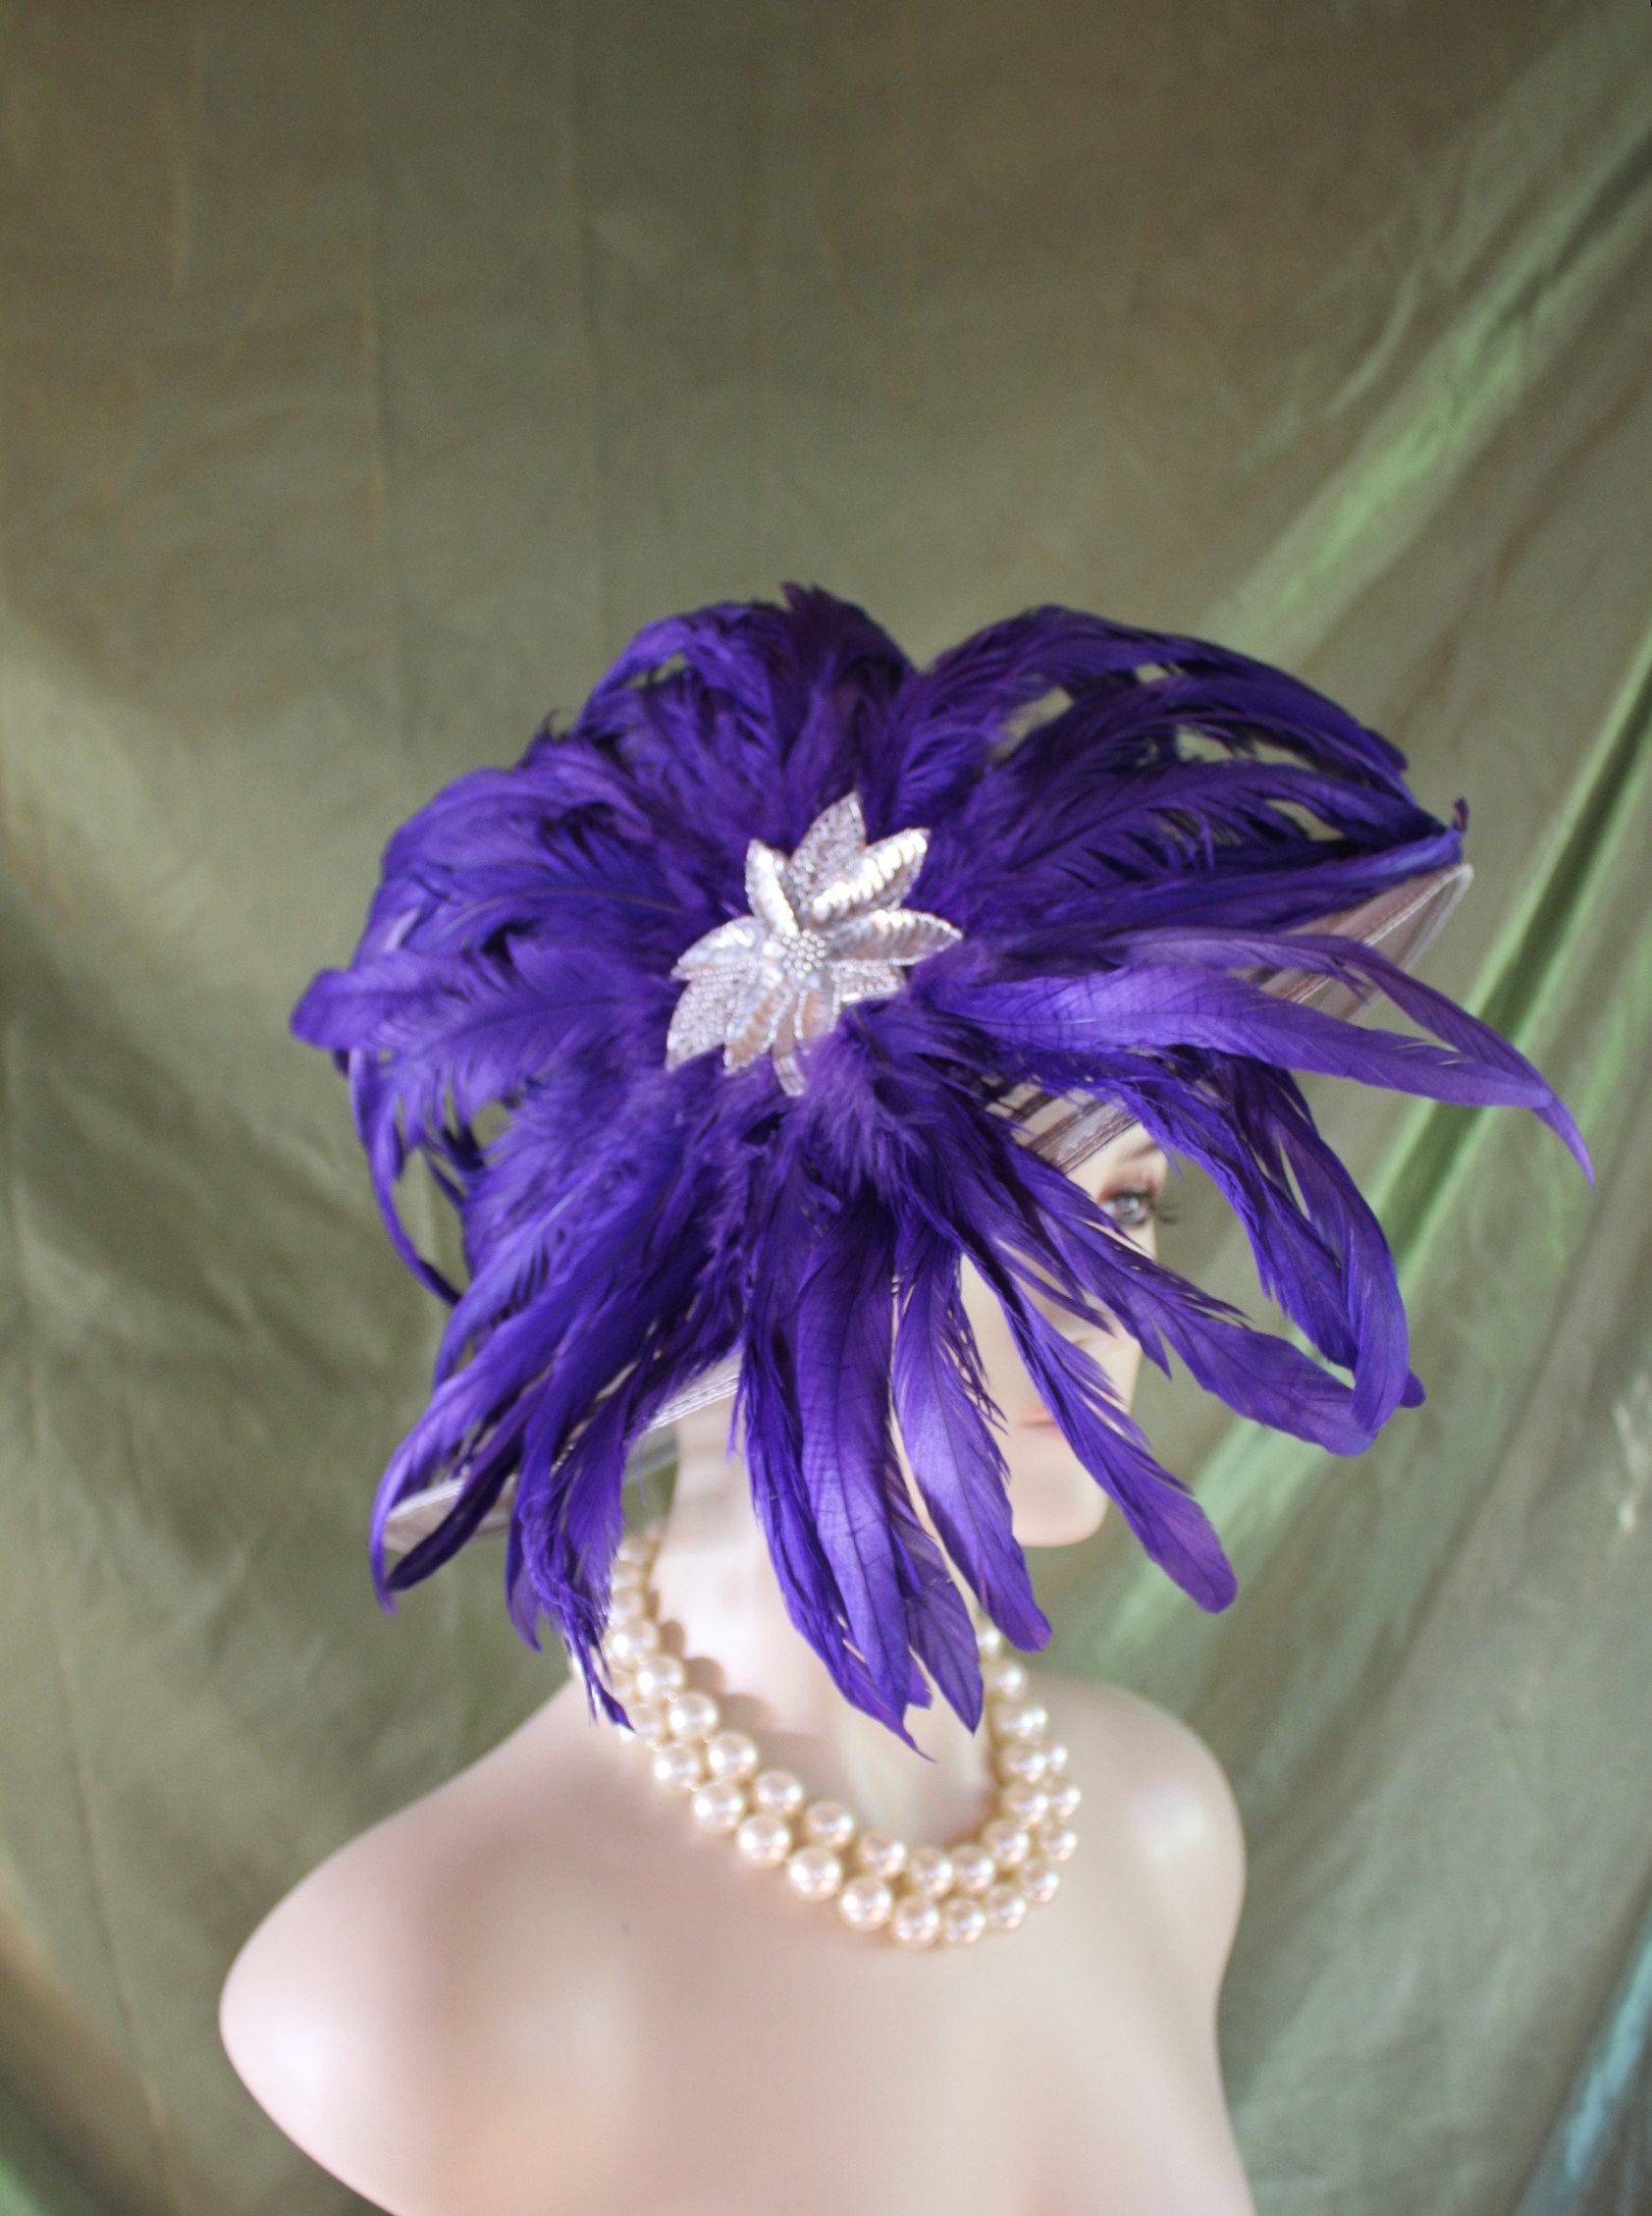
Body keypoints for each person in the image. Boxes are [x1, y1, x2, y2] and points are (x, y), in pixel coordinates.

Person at [220, 591, 1582, 2216]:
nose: (1090, 1311)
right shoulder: (424, 1980)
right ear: (714, 1283)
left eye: (1123, 1201)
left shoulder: (1159, 1828)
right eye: (961, 1218)